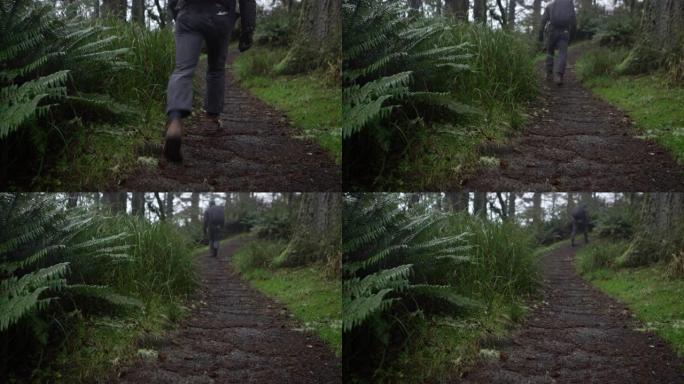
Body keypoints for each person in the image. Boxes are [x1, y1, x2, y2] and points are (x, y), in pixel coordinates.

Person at [163, 0, 256, 162]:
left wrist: (175, 11)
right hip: (221, 15)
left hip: (189, 13)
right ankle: (212, 118)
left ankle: (176, 122)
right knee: (216, 69)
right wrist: (248, 29)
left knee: (183, 70)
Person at [539, 0, 577, 86]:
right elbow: (574, 23)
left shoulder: (550, 5)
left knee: (550, 51)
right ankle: (559, 76)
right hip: (565, 32)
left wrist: (540, 34)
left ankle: (548, 74)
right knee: (562, 53)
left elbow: (543, 21)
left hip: (552, 32)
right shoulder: (569, 5)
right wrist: (572, 37)